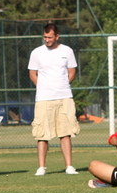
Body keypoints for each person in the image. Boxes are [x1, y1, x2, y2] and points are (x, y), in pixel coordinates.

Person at [28, 24, 80, 176]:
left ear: (57, 36)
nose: (47, 40)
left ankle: (69, 166)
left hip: (64, 97)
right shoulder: (36, 52)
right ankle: (42, 167)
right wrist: (43, 88)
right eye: (45, 37)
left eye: (50, 37)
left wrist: (62, 86)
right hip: (43, 98)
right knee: (42, 133)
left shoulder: (67, 51)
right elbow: (32, 74)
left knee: (65, 133)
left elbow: (72, 72)